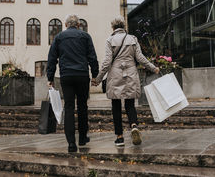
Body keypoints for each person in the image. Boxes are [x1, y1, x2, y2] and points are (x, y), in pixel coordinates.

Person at [92, 16, 159, 146]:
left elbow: (106, 62)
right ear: (123, 27)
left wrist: (98, 79)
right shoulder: (132, 39)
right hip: (130, 73)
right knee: (130, 104)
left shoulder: (110, 40)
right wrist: (153, 67)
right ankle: (134, 125)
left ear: (113, 27)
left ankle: (119, 137)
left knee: (116, 106)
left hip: (115, 74)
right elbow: (140, 58)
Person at [47, 14, 99, 153]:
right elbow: (92, 57)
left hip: (66, 76)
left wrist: (50, 77)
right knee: (82, 106)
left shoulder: (58, 38)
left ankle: (71, 143)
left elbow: (52, 58)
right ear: (78, 25)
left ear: (65, 25)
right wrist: (95, 75)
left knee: (69, 107)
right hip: (82, 75)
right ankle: (82, 138)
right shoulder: (85, 36)